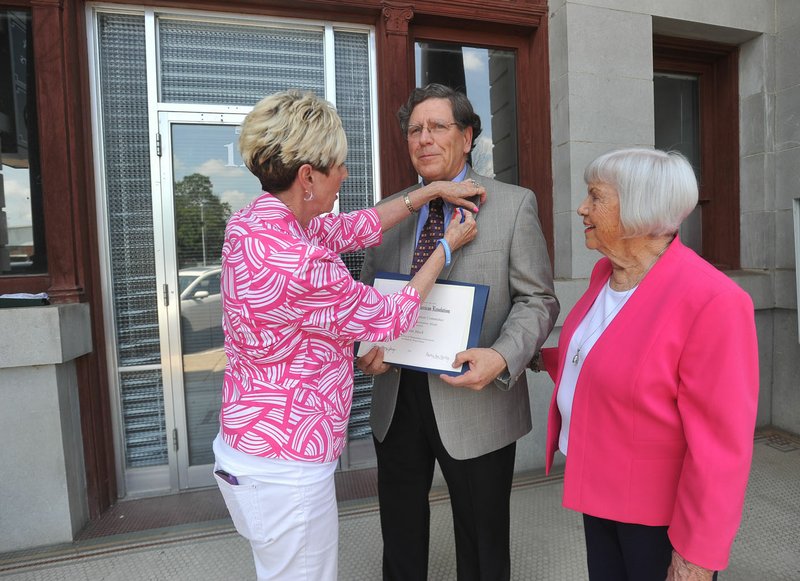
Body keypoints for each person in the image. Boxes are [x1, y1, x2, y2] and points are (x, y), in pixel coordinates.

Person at [212, 89, 483, 581]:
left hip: (248, 448)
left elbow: (351, 229)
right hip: (286, 466)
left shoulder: (254, 223)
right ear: (307, 177)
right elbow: (391, 317)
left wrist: (427, 193)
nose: (347, 174)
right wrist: (446, 246)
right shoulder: (302, 266)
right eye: (338, 164)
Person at [358, 83, 559, 580]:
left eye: (438, 127)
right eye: (414, 130)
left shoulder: (513, 205)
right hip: (397, 396)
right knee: (400, 536)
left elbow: (538, 300)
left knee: (482, 540)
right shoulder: (390, 212)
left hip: (477, 400)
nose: (424, 139)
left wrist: (503, 357)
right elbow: (363, 304)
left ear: (467, 137)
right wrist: (365, 346)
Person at [541, 148, 759, 581]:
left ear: (640, 207)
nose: (582, 208)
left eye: (595, 197)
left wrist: (697, 555)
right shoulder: (606, 273)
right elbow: (611, 355)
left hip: (657, 518)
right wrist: (519, 356)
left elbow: (721, 447)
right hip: (599, 489)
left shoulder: (713, 302)